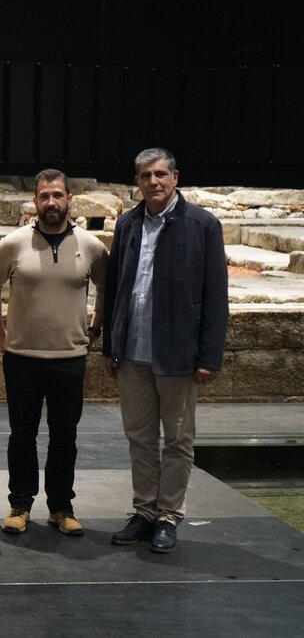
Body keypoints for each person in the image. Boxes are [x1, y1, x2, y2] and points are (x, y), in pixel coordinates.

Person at [104, 148, 228, 553]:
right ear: (137, 182)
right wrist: (110, 345)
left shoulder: (202, 225)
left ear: (176, 177)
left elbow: (216, 296)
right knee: (140, 438)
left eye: (160, 174)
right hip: (133, 351)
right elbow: (115, 289)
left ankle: (168, 516)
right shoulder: (127, 224)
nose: (153, 182)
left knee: (177, 439)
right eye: (145, 176)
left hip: (178, 353)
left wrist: (209, 356)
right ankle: (144, 511)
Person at [0, 169, 108, 537]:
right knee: (22, 435)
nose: (51, 202)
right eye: (45, 196)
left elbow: (106, 287)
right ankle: (20, 505)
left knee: (64, 437)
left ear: (69, 199)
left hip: (69, 359)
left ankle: (61, 507)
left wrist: (95, 327)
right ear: (35, 201)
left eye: (58, 195)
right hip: (22, 358)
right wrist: (0, 333)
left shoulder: (91, 246)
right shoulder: (12, 244)